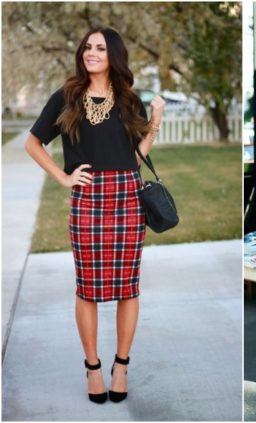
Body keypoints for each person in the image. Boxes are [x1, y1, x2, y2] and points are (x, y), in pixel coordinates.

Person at [25, 27, 165, 404]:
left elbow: (135, 156)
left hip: (127, 197)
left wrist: (155, 118)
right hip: (88, 199)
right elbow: (32, 142)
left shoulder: (127, 99)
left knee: (127, 286)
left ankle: (121, 367)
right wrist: (64, 178)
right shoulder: (66, 97)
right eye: (87, 46)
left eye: (100, 48)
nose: (91, 52)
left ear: (113, 55)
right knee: (87, 287)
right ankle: (93, 369)